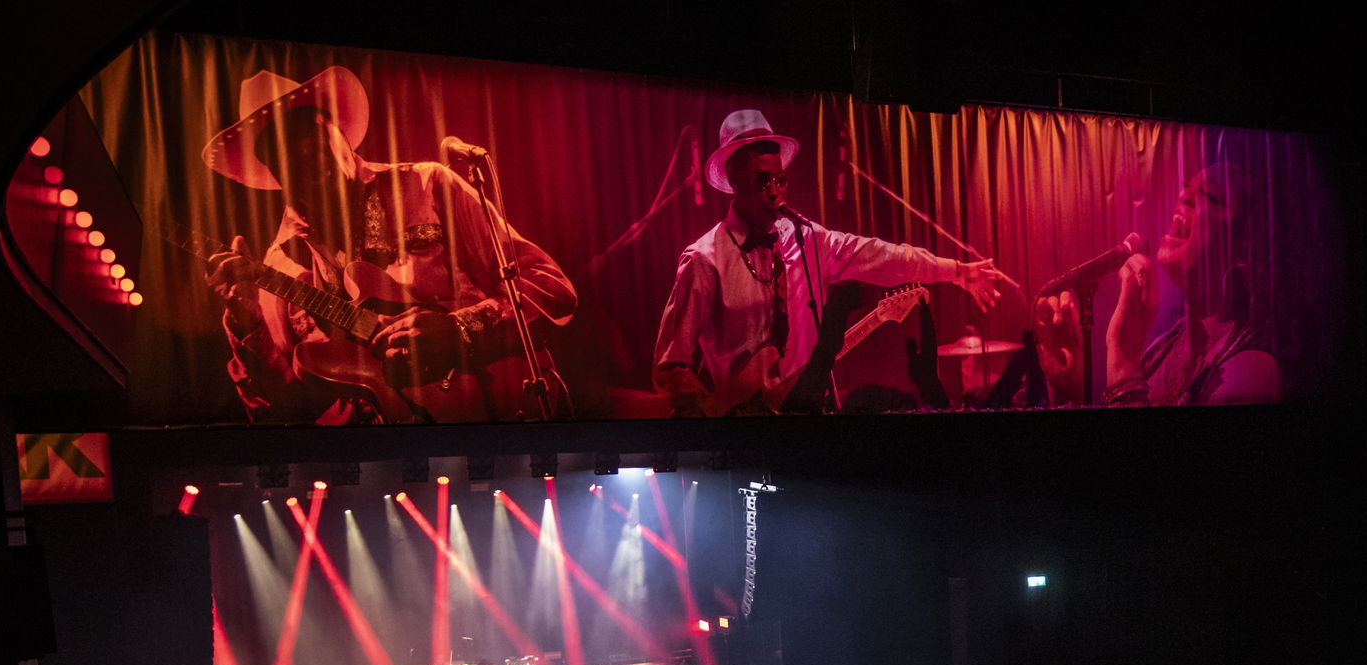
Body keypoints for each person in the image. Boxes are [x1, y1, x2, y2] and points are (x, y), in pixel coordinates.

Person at [201, 65, 576, 425]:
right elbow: (279, 405)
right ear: (274, 171)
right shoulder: (278, 264)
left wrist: (459, 329)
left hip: (492, 406)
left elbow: (549, 285)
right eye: (285, 152)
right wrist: (244, 323)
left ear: (342, 135)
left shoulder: (427, 184)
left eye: (313, 136)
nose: (306, 156)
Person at [653, 109, 1000, 416]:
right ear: (732, 181)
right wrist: (716, 416)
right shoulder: (704, 260)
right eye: (762, 180)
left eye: (780, 179)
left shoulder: (809, 240)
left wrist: (954, 271)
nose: (774, 191)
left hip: (816, 412)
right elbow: (670, 368)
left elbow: (882, 256)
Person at [1045, 162, 1279, 407]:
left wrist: (1124, 364)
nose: (1183, 196)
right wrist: (1067, 386)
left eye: (1209, 195)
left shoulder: (1251, 369)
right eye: (1187, 187)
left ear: (1243, 247)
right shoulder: (1162, 350)